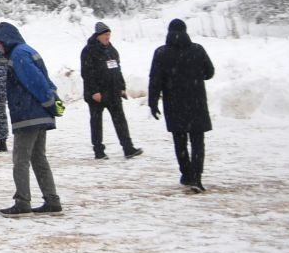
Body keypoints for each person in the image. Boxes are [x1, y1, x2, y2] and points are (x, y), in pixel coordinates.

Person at [0, 22, 64, 217]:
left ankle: (22, 201)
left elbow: (36, 82)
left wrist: (48, 101)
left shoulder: (18, 55)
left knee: (20, 160)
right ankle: (52, 200)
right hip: (39, 114)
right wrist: (53, 101)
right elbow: (46, 80)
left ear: (6, 39)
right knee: (39, 158)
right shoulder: (27, 50)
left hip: (28, 115)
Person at [148, 18, 215, 192]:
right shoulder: (198, 50)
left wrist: (153, 102)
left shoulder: (161, 53)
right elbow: (210, 72)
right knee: (198, 141)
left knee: (180, 141)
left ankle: (186, 174)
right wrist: (194, 75)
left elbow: (155, 80)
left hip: (174, 103)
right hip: (196, 102)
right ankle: (197, 177)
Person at [80, 21, 142, 159]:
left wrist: (122, 87)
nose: (108, 37)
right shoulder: (88, 51)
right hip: (98, 95)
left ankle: (128, 148)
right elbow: (87, 73)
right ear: (98, 36)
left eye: (109, 34)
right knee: (96, 123)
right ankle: (99, 151)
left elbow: (117, 70)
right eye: (105, 35)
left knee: (120, 120)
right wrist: (94, 91)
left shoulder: (112, 50)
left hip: (113, 92)